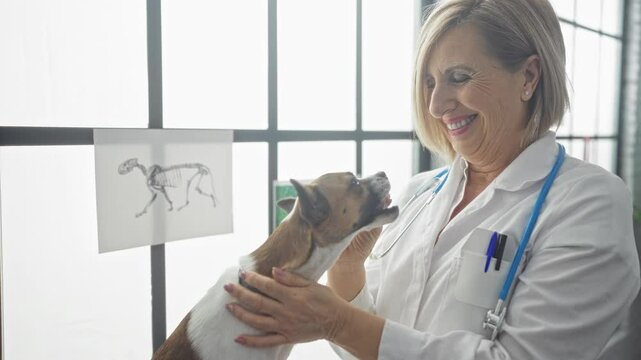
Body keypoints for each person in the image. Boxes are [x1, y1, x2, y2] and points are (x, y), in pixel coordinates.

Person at [223, 0, 641, 358]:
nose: (437, 104)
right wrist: (347, 269)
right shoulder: (419, 193)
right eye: (429, 82)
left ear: (529, 77)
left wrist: (334, 320)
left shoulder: (589, 203)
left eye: (459, 78)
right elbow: (370, 343)